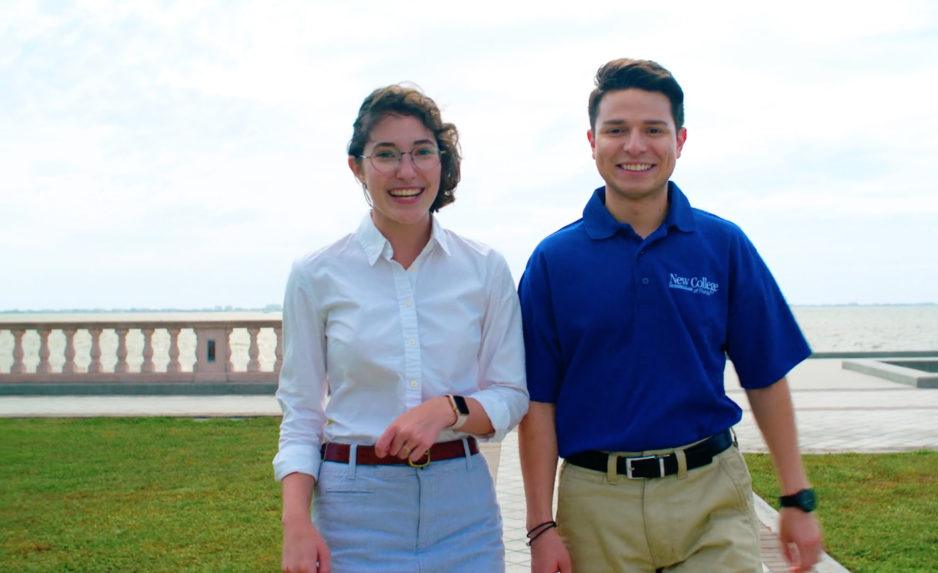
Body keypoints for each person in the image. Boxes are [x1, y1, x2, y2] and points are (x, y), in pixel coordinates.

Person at [517, 58, 823, 573]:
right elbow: (537, 405)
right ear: (592, 142)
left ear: (679, 140)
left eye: (653, 130)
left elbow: (766, 376)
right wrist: (539, 526)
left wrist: (796, 498)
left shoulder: (723, 245)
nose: (635, 146)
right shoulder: (553, 261)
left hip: (710, 496)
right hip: (597, 505)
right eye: (616, 130)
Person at [273, 84, 529, 573]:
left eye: (422, 153)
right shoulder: (316, 274)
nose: (406, 172)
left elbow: (511, 394)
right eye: (386, 154)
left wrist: (447, 410)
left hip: (464, 510)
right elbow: (302, 415)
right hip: (354, 513)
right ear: (357, 167)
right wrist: (296, 524)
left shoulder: (484, 268)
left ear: (441, 161)